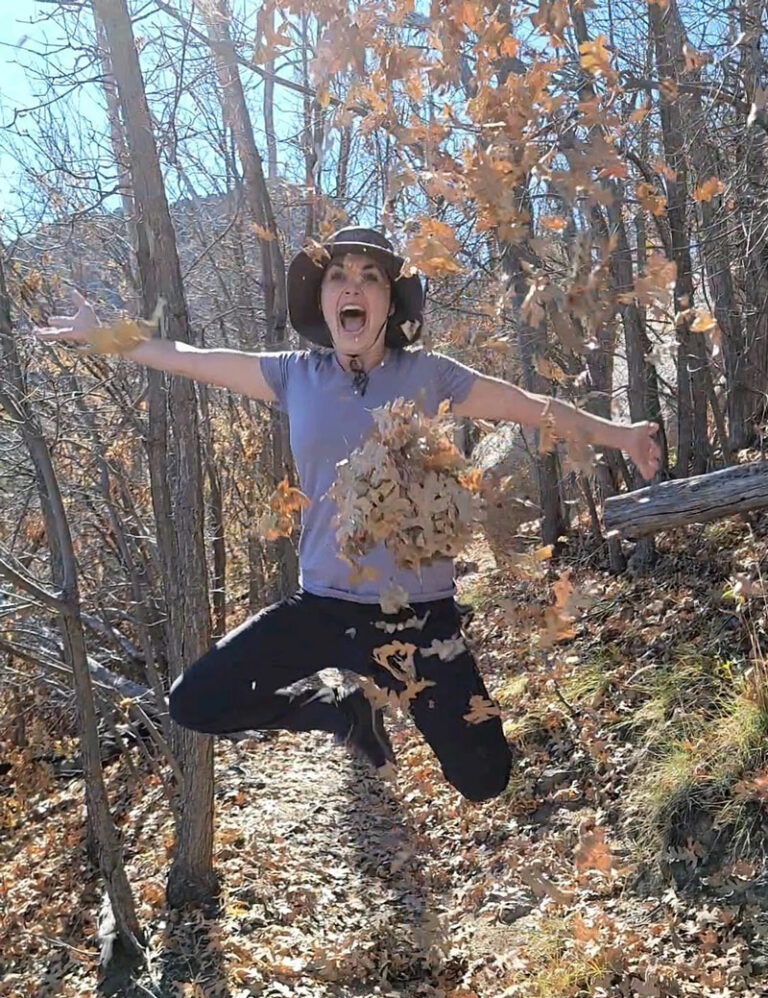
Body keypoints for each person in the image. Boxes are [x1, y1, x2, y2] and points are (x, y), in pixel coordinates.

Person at [36, 226, 661, 803]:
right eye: (338, 276)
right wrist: (109, 338)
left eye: (370, 276)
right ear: (323, 300)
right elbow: (193, 357)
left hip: (420, 619)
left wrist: (624, 434)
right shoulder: (294, 376)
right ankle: (339, 710)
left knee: (484, 779)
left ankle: (393, 707)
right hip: (325, 610)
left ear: (390, 303)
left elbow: (532, 405)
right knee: (194, 702)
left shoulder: (429, 374)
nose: (353, 286)